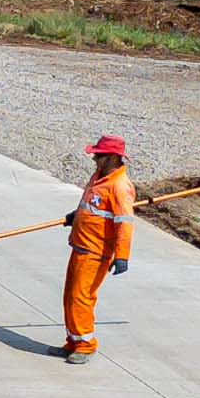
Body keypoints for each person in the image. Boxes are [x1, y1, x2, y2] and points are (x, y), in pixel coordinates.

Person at [58, 134, 134, 363]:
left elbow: (124, 223)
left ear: (112, 157)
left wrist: (122, 256)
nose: (94, 159)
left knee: (82, 297)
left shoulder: (120, 187)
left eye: (99, 155)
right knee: (70, 296)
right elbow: (92, 205)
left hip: (95, 250)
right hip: (80, 244)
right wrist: (77, 215)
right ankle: (73, 340)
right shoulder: (99, 177)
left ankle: (86, 344)